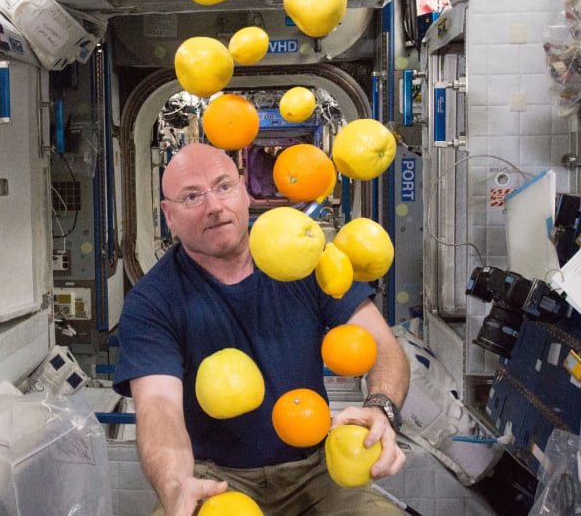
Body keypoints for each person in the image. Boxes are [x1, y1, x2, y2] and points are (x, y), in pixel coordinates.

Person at [113, 142, 411, 515]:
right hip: (216, 477)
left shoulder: (309, 259)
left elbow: (384, 348)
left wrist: (381, 408)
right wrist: (175, 486)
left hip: (318, 469)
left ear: (244, 190)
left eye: (223, 187)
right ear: (168, 215)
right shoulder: (151, 301)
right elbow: (158, 408)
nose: (214, 206)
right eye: (192, 196)